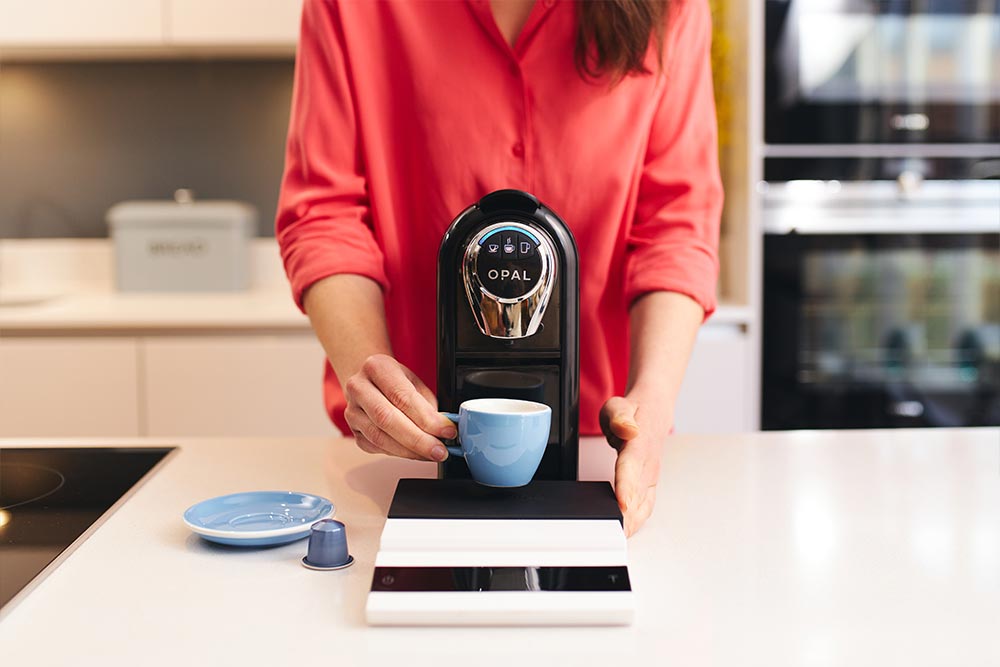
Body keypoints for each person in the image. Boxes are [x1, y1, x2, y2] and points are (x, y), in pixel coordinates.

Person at [276, 0, 723, 537]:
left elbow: (675, 226)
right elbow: (324, 215)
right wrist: (368, 370)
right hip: (401, 450)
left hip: (596, 449)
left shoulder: (673, 8)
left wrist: (651, 399)